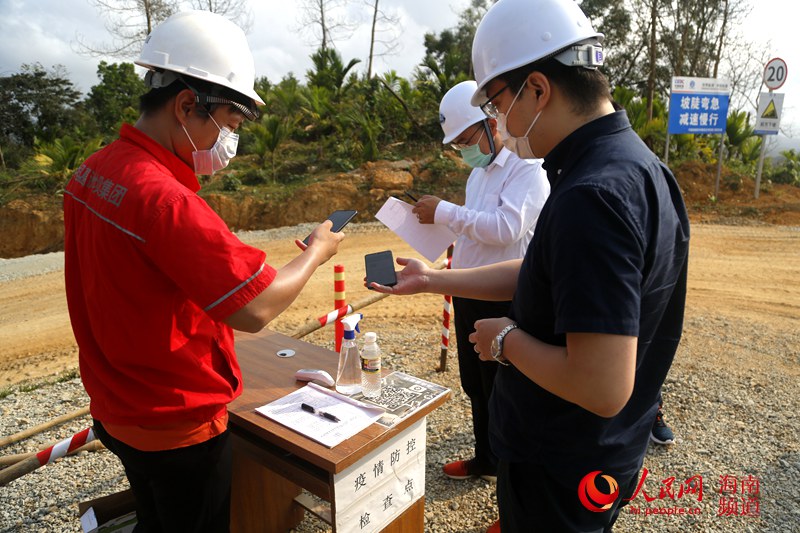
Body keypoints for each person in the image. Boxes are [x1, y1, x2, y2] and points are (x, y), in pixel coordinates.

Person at [369, 0, 690, 531]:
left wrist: (505, 340)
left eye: (497, 104)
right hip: (598, 452)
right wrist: (432, 279)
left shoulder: (592, 196)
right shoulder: (638, 166)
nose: (499, 121)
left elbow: (601, 386)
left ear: (538, 89)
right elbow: (548, 269)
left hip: (561, 461)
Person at [63, 11, 343, 532]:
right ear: (187, 105)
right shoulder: (166, 202)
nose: (229, 143)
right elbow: (255, 307)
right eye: (230, 126)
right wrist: (316, 252)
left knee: (154, 518)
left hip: (116, 406)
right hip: (176, 425)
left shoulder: (93, 172)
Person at [413, 80, 548, 491]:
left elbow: (506, 228)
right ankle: (487, 459)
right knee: (476, 383)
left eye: (465, 139)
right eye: (456, 144)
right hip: (469, 292)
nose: (463, 150)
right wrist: (435, 227)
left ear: (491, 123)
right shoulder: (478, 174)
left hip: (505, 298)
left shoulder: (528, 168)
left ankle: (515, 486)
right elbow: (473, 228)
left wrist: (446, 212)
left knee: (508, 391)